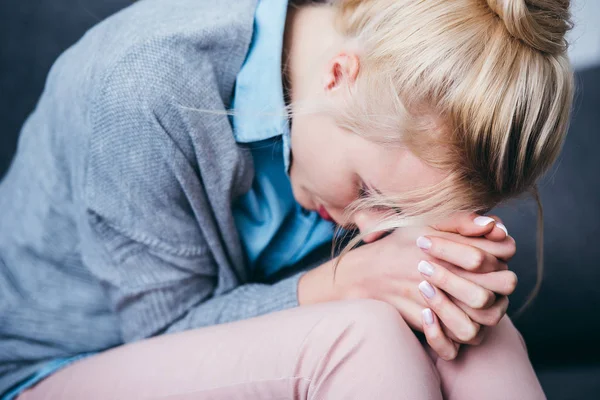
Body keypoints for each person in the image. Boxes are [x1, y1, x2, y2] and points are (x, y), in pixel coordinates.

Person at [0, 0, 573, 398]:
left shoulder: (362, 91)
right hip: (52, 368)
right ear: (338, 77)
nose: (370, 231)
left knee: (471, 331)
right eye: (369, 191)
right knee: (363, 341)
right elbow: (160, 334)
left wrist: (452, 277)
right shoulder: (140, 88)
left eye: (401, 211)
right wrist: (345, 281)